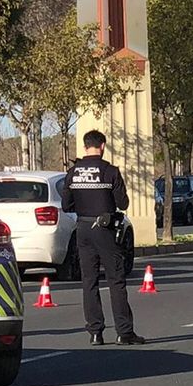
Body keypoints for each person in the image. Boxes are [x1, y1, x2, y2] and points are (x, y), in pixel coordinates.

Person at [61, 130, 145, 345]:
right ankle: (124, 332)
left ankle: (95, 332)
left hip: (83, 229)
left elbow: (66, 205)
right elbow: (123, 203)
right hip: (105, 229)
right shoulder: (110, 171)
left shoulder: (73, 173)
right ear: (103, 146)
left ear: (85, 145)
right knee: (116, 280)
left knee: (89, 281)